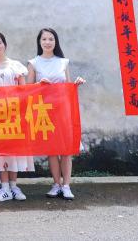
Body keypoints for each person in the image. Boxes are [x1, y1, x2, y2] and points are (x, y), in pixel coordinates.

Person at [27, 28, 85, 199]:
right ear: (39, 42)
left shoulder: (63, 62)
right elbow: (27, 89)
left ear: (55, 41)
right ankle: (56, 184)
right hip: (45, 111)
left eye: (51, 39)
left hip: (63, 110)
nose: (47, 42)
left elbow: (68, 86)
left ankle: (66, 185)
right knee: (52, 150)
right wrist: (39, 85)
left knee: (66, 149)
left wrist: (76, 84)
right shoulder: (34, 63)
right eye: (44, 39)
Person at [0, 32, 33, 202]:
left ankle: (14, 186)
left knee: (14, 151)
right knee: (1, 151)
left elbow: (23, 91)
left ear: (5, 44)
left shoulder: (15, 66)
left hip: (14, 116)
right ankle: (4, 187)